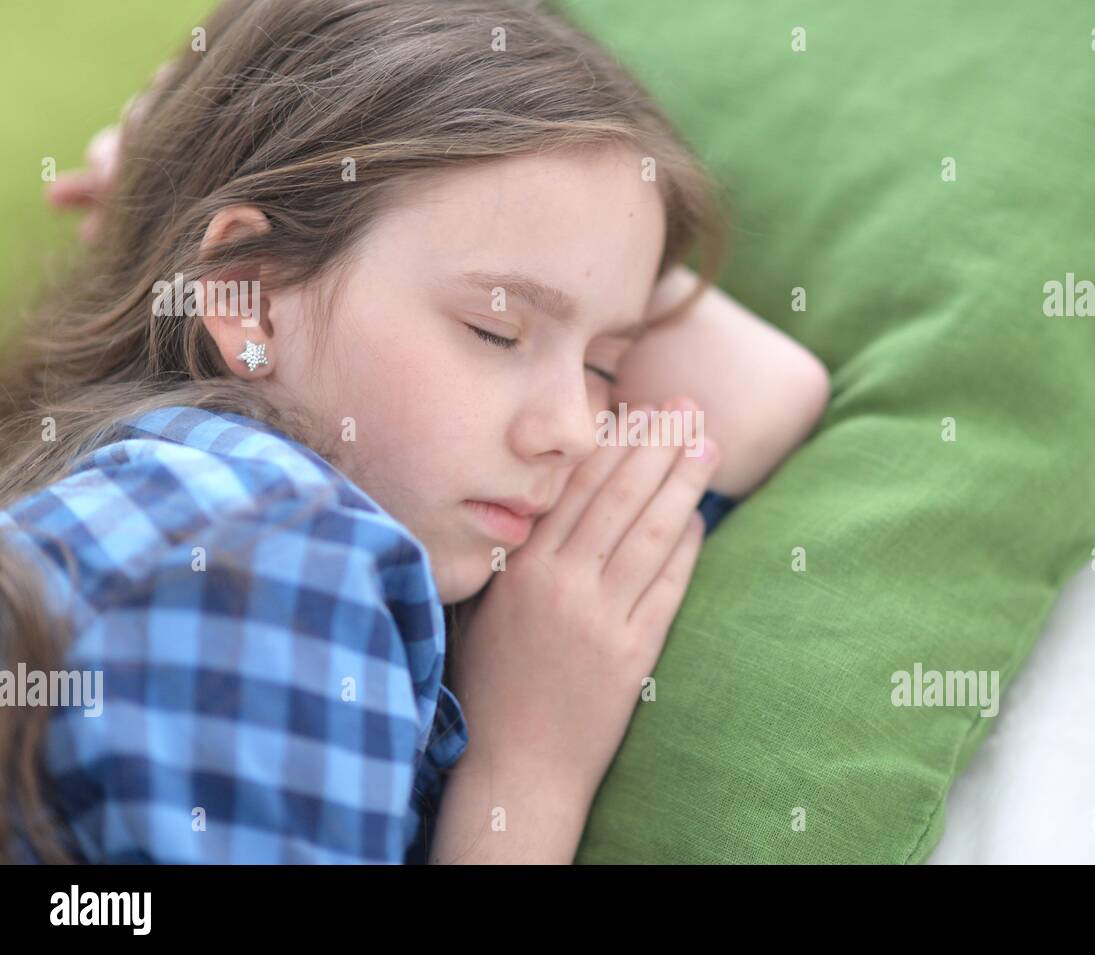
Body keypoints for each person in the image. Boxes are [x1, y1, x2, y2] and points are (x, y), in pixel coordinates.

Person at [0, 0, 829, 864]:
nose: (579, 430)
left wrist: (176, 158)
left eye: (604, 365)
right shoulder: (262, 543)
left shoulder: (200, 516)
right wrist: (530, 769)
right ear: (248, 291)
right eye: (496, 330)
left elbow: (767, 392)